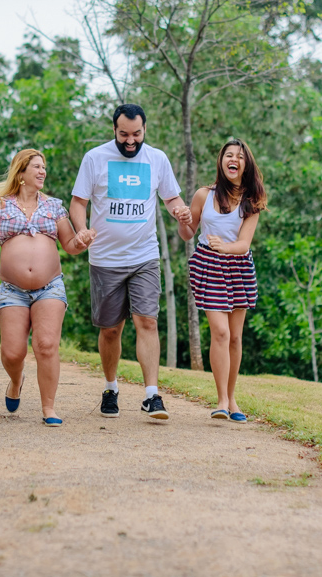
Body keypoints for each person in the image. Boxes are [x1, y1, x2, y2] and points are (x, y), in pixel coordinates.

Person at [71, 103, 192, 420]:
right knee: (111, 330)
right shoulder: (95, 158)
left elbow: (171, 198)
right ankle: (110, 388)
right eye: (124, 134)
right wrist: (82, 229)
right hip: (105, 259)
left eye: (136, 134)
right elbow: (78, 202)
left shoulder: (157, 159)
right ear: (114, 129)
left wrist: (179, 210)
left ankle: (152, 395)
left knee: (147, 322)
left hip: (144, 256)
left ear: (144, 130)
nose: (130, 140)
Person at [0, 149, 95, 426]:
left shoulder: (54, 206)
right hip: (12, 289)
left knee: (47, 345)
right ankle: (16, 380)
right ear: (21, 172)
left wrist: (82, 239)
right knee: (13, 353)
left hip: (49, 287)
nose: (43, 172)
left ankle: (49, 408)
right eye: (37, 167)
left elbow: (70, 245)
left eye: (44, 167)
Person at [178, 139, 266, 423]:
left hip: (238, 267)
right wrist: (183, 219)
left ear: (245, 164)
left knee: (236, 337)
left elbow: (243, 244)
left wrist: (223, 247)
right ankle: (221, 401)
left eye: (240, 157)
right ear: (221, 161)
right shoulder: (204, 195)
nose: (234, 160)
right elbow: (188, 233)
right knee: (221, 333)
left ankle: (233, 398)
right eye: (229, 155)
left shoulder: (252, 201)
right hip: (209, 266)